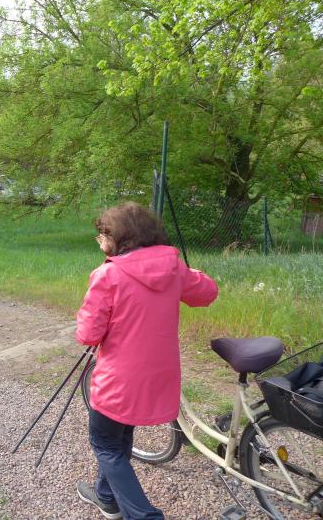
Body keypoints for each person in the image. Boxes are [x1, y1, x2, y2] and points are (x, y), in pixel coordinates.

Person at [75, 202, 218, 520]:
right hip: (158, 375)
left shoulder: (108, 274)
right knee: (119, 435)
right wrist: (189, 272)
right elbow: (208, 293)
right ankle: (106, 497)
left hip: (118, 380)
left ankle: (144, 515)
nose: (100, 241)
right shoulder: (173, 267)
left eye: (102, 236)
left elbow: (87, 334)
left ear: (118, 238)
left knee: (105, 443)